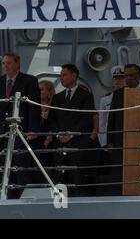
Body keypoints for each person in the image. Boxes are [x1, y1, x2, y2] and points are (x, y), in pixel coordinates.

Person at [47, 64, 95, 196]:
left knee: (77, 176)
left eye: (64, 75)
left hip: (77, 143)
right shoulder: (57, 98)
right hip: (59, 143)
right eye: (60, 75)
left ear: (74, 76)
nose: (61, 78)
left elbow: (87, 118)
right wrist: (58, 134)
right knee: (59, 176)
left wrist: (71, 135)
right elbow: (51, 119)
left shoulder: (86, 96)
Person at [0, 52, 41, 198]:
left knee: (21, 167)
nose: (5, 66)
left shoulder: (29, 81)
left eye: (8, 63)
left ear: (17, 64)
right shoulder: (0, 81)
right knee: (4, 167)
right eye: (3, 63)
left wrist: (33, 130)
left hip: (21, 131)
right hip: (3, 133)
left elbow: (34, 108)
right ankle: (7, 196)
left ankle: (24, 197)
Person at [106, 64, 140, 194]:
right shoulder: (118, 94)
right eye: (126, 76)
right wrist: (110, 141)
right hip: (121, 140)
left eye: (132, 75)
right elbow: (111, 118)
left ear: (139, 76)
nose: (129, 78)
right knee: (119, 171)